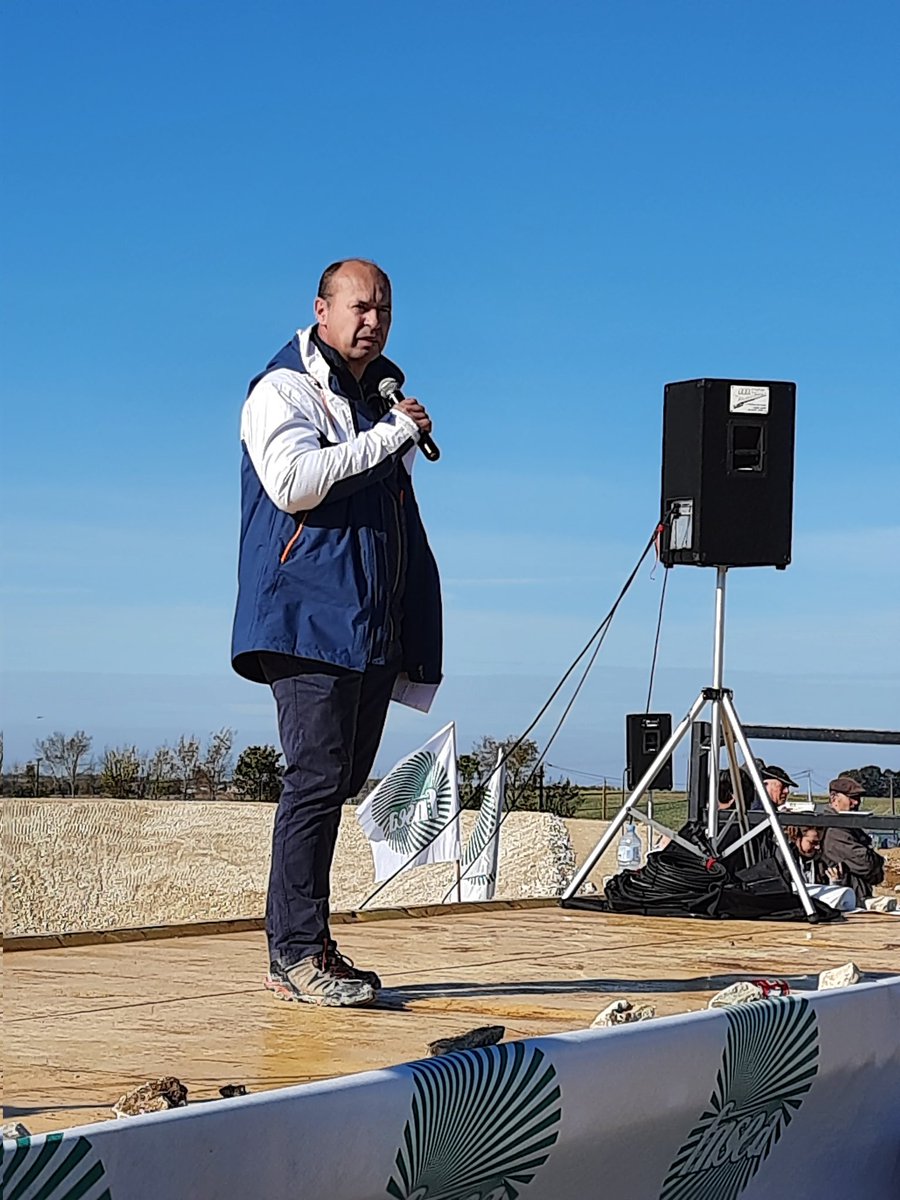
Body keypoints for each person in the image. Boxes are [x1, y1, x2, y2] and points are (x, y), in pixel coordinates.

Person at [231, 259, 442, 1007]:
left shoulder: (369, 401)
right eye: (359, 307)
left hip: (368, 624)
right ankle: (293, 952)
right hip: (305, 618)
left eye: (384, 308)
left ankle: (309, 942)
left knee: (341, 781)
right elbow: (294, 483)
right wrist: (390, 437)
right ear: (321, 309)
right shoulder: (283, 389)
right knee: (315, 779)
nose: (373, 321)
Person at [820, 776, 885, 906]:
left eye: (858, 798)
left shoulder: (847, 826)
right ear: (834, 798)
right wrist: (877, 860)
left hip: (854, 897)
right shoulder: (835, 830)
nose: (856, 803)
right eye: (852, 798)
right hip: (847, 901)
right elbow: (866, 864)